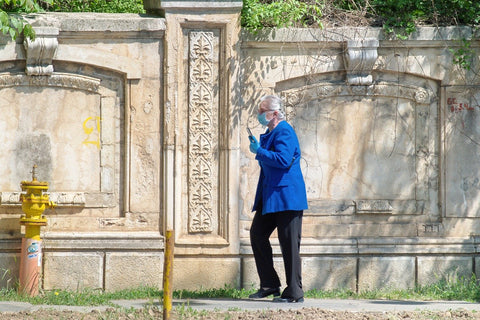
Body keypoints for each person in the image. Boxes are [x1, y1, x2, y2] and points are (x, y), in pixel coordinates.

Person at [248, 95, 308, 303]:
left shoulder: (284, 131)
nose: (259, 114)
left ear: (274, 113)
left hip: (287, 197)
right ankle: (270, 284)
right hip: (271, 196)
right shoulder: (270, 132)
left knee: (289, 244)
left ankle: (294, 292)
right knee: (257, 234)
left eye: (262, 110)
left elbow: (283, 160)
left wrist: (260, 152)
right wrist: (261, 148)